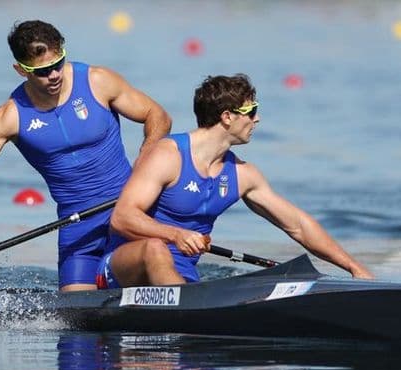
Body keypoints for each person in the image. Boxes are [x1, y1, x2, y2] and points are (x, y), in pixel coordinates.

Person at [0, 20, 171, 291]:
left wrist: (146, 158)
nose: (55, 75)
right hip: (77, 231)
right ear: (21, 70)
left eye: (58, 63)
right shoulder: (10, 117)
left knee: (149, 269)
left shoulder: (97, 82)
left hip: (130, 212)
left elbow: (157, 115)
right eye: (43, 71)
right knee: (77, 313)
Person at [96, 74, 373, 288]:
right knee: (156, 249)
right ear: (227, 117)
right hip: (122, 269)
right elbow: (122, 218)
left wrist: (353, 267)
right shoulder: (168, 155)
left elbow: (298, 225)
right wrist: (176, 235)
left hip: (181, 278)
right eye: (251, 111)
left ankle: (187, 303)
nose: (257, 119)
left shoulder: (242, 175)